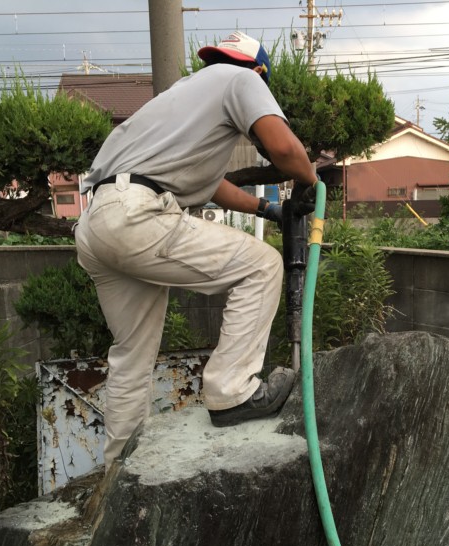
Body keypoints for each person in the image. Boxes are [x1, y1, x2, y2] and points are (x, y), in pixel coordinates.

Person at [75, 31, 318, 467]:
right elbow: (285, 147)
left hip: (97, 222)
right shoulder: (242, 80)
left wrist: (268, 208)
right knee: (262, 265)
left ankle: (117, 472)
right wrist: (309, 183)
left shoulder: (184, 98)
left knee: (132, 355)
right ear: (258, 72)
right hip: (136, 215)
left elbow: (215, 188)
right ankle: (231, 391)